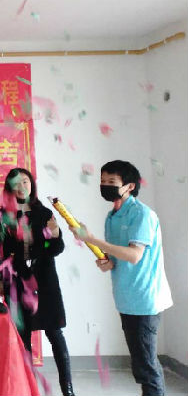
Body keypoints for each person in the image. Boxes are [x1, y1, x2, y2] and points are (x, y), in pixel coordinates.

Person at [72, 160, 172, 396]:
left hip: (145, 298)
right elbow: (116, 258)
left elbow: (134, 255)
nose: (105, 185)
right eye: (102, 181)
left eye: (111, 181)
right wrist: (106, 261)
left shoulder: (142, 214)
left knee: (146, 365)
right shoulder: (112, 216)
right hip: (125, 297)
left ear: (129, 186)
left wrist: (92, 239)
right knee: (141, 362)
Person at [0, 168, 74, 396]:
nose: (22, 187)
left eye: (25, 182)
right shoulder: (2, 216)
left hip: (45, 281)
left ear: (32, 184)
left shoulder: (44, 212)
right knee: (23, 338)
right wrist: (0, 280)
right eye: (16, 183)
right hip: (17, 282)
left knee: (55, 333)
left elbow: (56, 248)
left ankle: (68, 389)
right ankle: (28, 389)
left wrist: (55, 234)